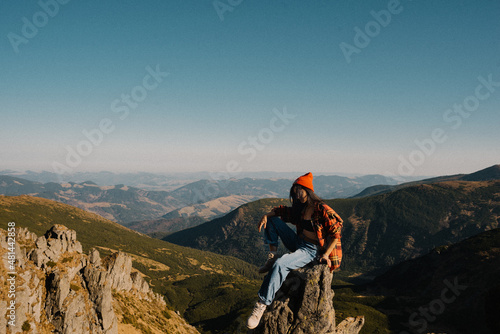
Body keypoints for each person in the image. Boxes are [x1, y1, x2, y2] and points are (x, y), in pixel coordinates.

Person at [246, 172, 343, 329]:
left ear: (307, 190)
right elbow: (283, 212)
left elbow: (336, 233)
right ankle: (272, 256)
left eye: (299, 190)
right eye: (295, 191)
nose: (297, 194)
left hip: (311, 250)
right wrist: (266, 215)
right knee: (272, 220)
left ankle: (261, 304)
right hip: (299, 242)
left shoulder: (322, 209)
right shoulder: (302, 208)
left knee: (281, 265)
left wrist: (325, 255)